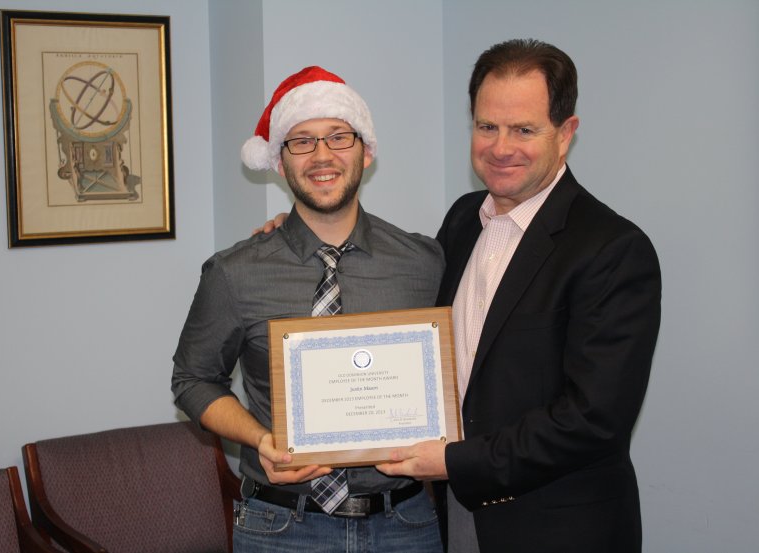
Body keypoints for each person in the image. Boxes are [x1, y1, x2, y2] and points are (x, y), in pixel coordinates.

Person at [376, 39, 662, 553]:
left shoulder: (614, 249)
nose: (500, 147)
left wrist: (452, 462)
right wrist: (304, 232)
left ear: (565, 133)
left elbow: (594, 419)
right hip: (455, 516)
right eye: (487, 126)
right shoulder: (464, 220)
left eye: (524, 129)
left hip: (555, 528)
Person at [171, 66, 444, 553]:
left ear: (366, 150)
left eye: (339, 136)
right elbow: (192, 380)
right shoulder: (234, 272)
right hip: (281, 527)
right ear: (280, 161)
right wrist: (260, 440)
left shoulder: (424, 262)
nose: (322, 155)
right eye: (302, 141)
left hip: (404, 524)